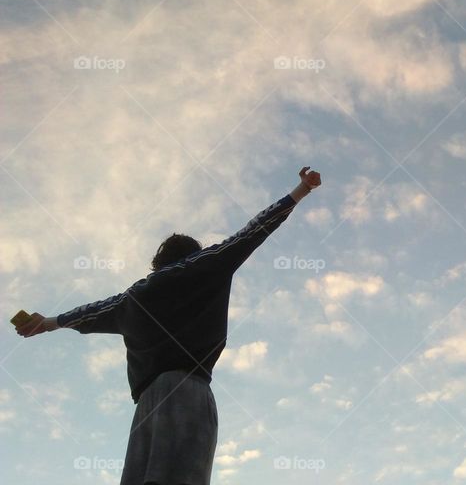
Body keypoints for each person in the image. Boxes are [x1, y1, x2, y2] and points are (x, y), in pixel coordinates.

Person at [14, 165, 323, 485]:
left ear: (157, 262)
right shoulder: (208, 265)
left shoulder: (132, 297)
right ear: (194, 252)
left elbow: (88, 314)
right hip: (189, 391)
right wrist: (300, 191)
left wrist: (47, 322)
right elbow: (252, 232)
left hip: (147, 403)